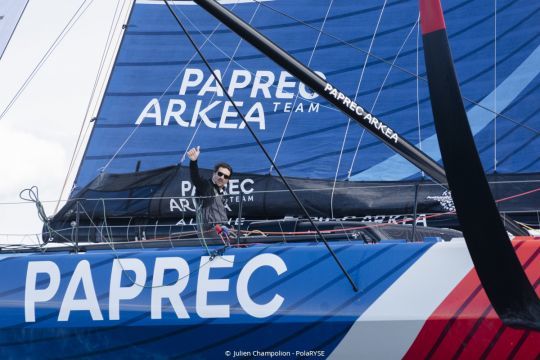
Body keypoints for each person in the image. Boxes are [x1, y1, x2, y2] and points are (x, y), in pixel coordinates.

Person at [186, 146, 232, 237]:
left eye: (225, 176)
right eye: (220, 174)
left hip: (224, 230)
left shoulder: (222, 192)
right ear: (214, 173)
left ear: (227, 180)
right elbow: (196, 179)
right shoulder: (205, 186)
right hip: (211, 233)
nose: (222, 177)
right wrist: (193, 162)